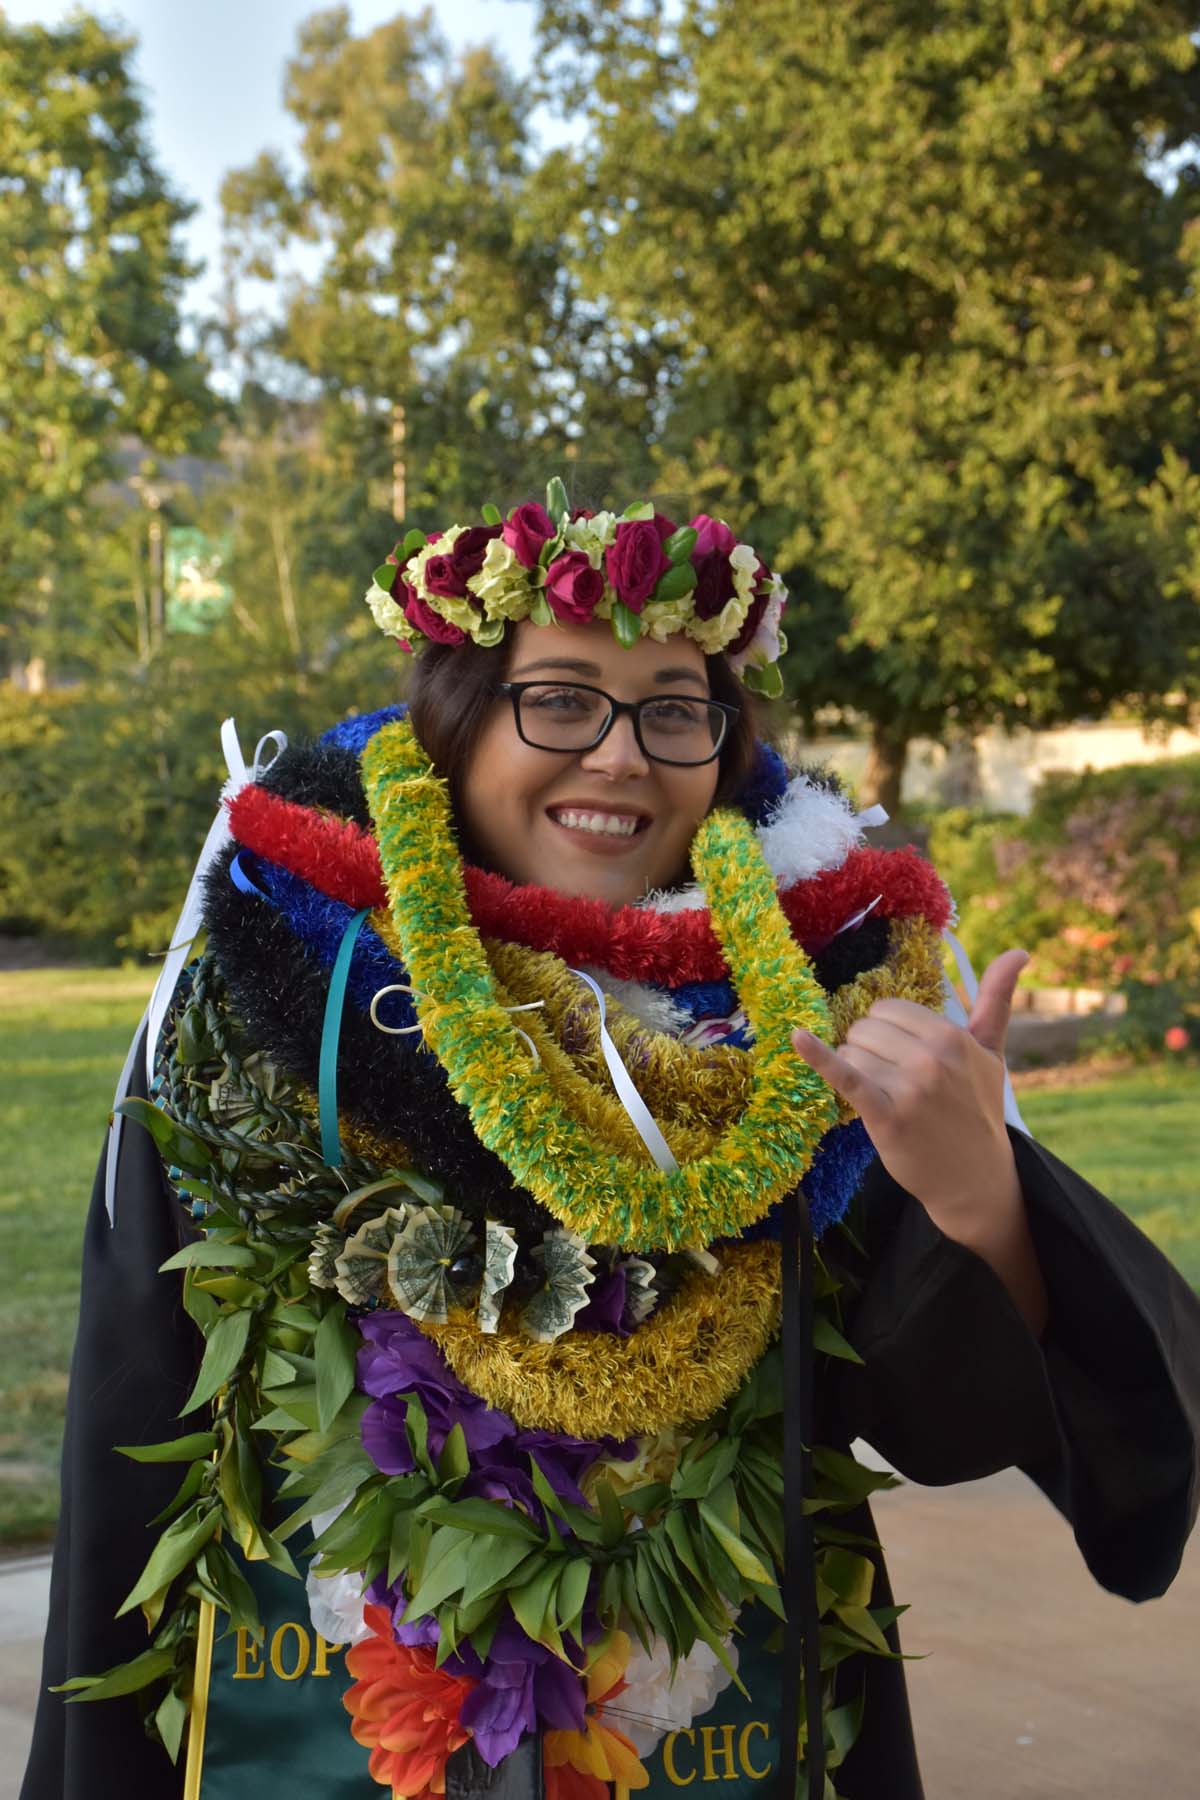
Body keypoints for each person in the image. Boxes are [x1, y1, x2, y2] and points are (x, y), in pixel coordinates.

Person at [22, 482, 1200, 1800]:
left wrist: (980, 1200)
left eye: (674, 709)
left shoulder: (814, 1008)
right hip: (310, 1735)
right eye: (562, 699)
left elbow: (936, 1415)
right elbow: (140, 1414)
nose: (623, 756)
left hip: (724, 1733)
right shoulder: (281, 989)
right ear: (456, 723)